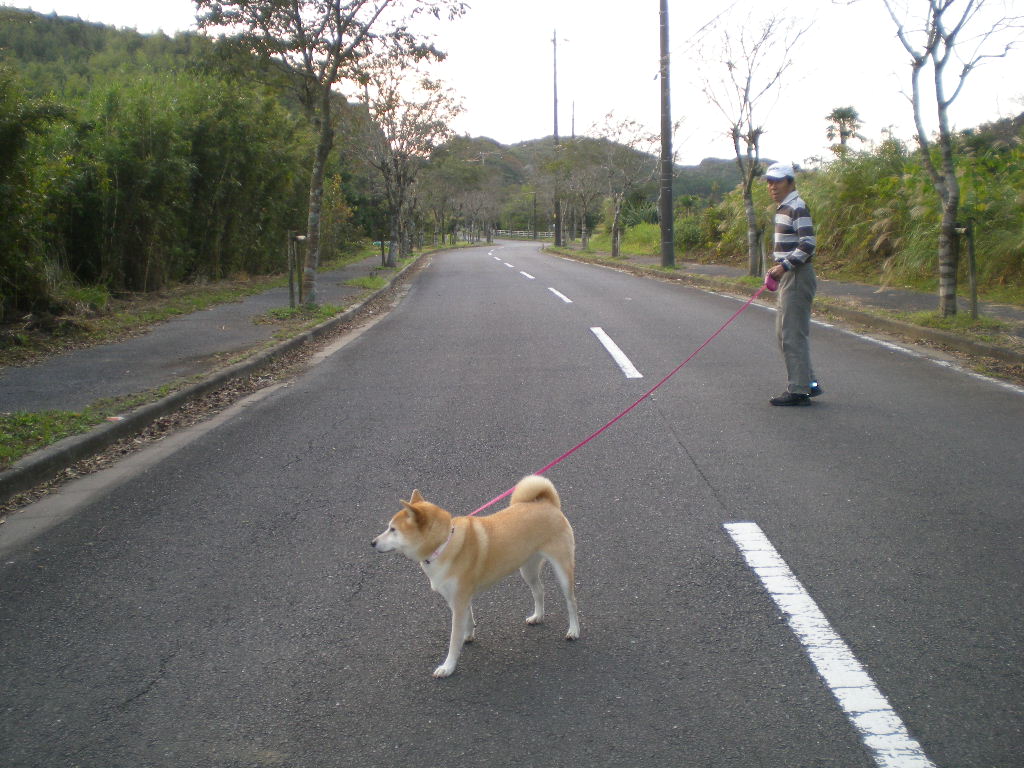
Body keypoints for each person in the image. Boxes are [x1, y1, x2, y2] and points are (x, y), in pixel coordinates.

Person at [764, 162, 821, 406]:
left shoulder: (797, 206)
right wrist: (779, 266)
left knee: (791, 334)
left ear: (790, 182)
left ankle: (799, 390)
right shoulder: (784, 207)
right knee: (787, 332)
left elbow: (808, 244)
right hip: (789, 275)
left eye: (777, 181)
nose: (772, 186)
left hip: (797, 276)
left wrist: (784, 266)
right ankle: (809, 383)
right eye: (769, 181)